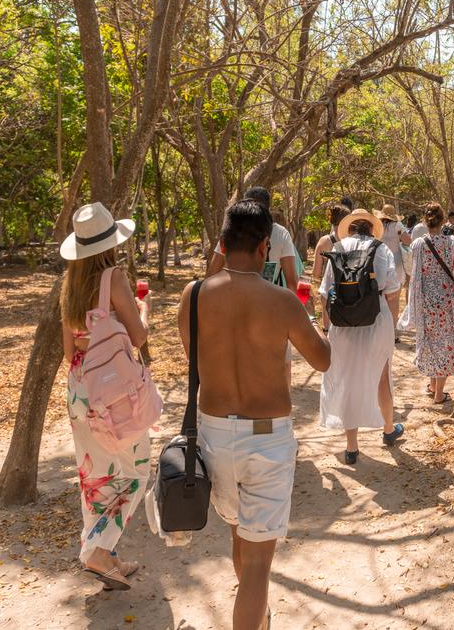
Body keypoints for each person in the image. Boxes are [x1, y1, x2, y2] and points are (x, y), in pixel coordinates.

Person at [178, 200, 330, 630]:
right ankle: (254, 619)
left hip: (213, 435)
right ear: (265, 246)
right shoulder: (281, 301)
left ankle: (258, 619)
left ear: (222, 244)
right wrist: (316, 317)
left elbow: (197, 363)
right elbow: (322, 360)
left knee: (238, 538)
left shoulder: (193, 296)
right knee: (260, 559)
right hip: (267, 439)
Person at [59, 202, 150, 591]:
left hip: (81, 391)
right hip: (115, 394)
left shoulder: (69, 287)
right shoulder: (114, 278)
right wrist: (146, 309)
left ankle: (105, 557)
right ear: (109, 244)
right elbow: (138, 336)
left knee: (95, 475)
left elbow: (69, 352)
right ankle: (98, 550)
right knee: (136, 473)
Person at [320, 208, 404, 463]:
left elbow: (325, 291)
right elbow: (392, 290)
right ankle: (388, 430)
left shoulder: (339, 248)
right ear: (371, 227)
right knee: (382, 376)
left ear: (351, 227)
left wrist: (326, 327)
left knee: (346, 378)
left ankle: (351, 446)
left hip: (343, 324)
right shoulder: (382, 250)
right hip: (376, 320)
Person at [403, 202, 454, 405]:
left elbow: (412, 271)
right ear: (443, 219)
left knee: (430, 342)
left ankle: (432, 386)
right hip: (446, 300)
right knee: (444, 344)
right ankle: (438, 393)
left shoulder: (418, 244)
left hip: (426, 300)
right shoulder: (452, 242)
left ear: (425, 221)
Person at [207, 187, 299, 294]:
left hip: (234, 300)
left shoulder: (231, 232)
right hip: (268, 301)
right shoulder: (281, 234)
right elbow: (292, 282)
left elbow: (211, 276)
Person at [311, 204, 351, 332]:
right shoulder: (353, 241)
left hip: (328, 292)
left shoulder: (324, 242)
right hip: (350, 292)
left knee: (328, 331)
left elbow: (316, 273)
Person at [375, 204, 411, 338]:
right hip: (395, 264)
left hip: (379, 263)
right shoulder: (398, 226)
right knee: (394, 299)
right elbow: (408, 241)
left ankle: (380, 331)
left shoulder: (377, 225)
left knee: (380, 298)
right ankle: (393, 333)